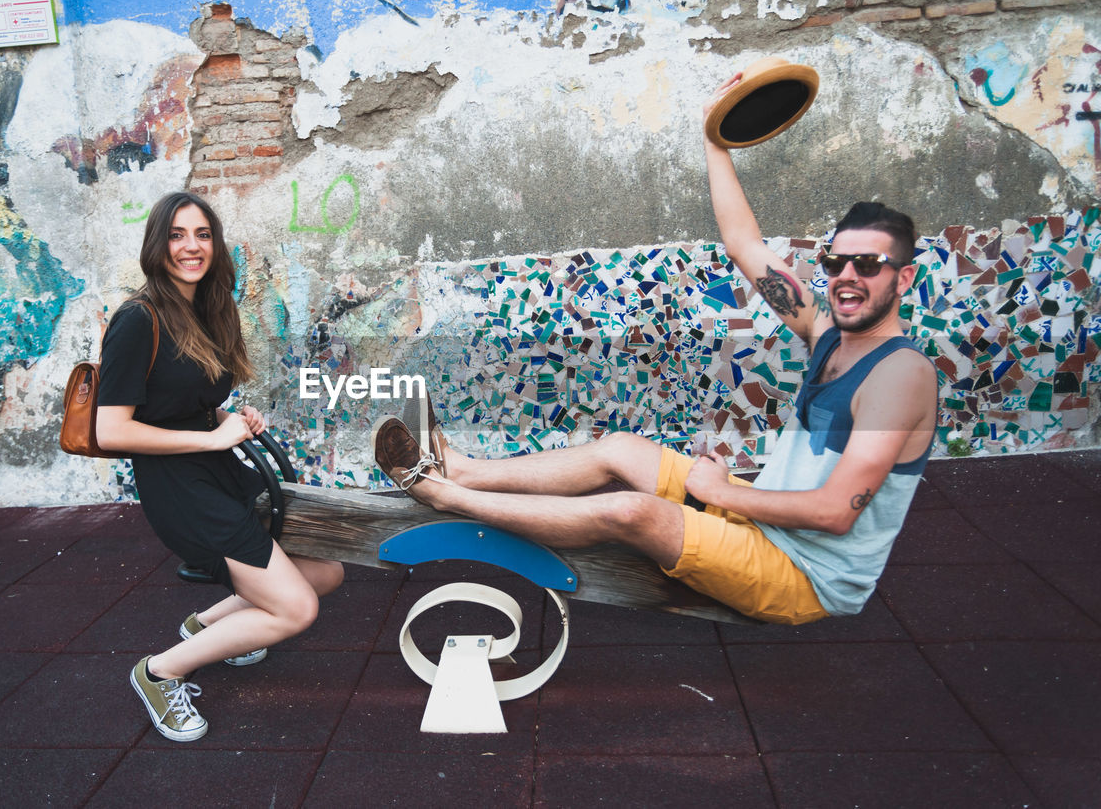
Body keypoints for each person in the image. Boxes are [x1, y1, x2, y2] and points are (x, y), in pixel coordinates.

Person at [373, 73, 938, 625]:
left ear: (903, 280)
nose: (847, 277)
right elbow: (744, 245)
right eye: (837, 263)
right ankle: (463, 470)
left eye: (869, 265)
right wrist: (714, 139)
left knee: (632, 511)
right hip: (768, 523)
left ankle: (444, 495)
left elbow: (836, 514)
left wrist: (721, 492)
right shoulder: (825, 334)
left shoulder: (900, 376)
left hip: (806, 572)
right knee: (618, 449)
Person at [97, 192, 344, 741]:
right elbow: (109, 430)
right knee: (296, 609)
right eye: (178, 235)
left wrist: (230, 416)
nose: (191, 247)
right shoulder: (138, 319)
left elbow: (184, 399)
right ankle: (161, 671)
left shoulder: (207, 307)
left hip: (219, 469)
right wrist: (211, 440)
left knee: (327, 572)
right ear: (157, 244)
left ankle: (203, 626)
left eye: (202, 234)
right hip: (180, 486)